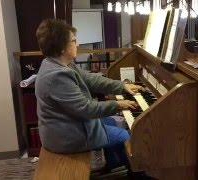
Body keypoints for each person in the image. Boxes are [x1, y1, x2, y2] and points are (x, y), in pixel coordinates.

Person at [35, 19, 143, 169]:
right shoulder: (56, 75)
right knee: (124, 136)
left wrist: (121, 86)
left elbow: (90, 79)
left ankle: (114, 164)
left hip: (67, 125)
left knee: (111, 123)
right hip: (65, 136)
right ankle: (135, 172)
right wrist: (118, 104)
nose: (77, 44)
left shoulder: (59, 63)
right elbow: (86, 109)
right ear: (61, 48)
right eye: (73, 41)